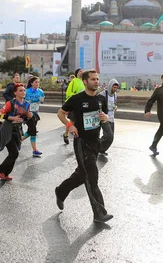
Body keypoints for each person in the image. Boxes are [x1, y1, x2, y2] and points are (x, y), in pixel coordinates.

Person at [54, 69, 113, 223]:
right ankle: (99, 213)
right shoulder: (77, 99)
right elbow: (60, 113)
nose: (96, 81)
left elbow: (103, 118)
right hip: (82, 143)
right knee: (92, 176)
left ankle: (61, 191)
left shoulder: (101, 99)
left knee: (82, 174)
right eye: (93, 79)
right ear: (85, 82)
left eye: (97, 79)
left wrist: (105, 118)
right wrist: (69, 126)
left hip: (95, 142)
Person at [0, 83, 31, 181]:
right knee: (14, 153)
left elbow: (25, 118)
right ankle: (1, 170)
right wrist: (12, 118)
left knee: (13, 154)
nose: (23, 92)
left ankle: (6, 174)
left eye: (24, 90)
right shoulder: (10, 103)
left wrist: (29, 116)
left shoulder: (27, 104)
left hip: (17, 131)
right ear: (15, 93)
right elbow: (1, 115)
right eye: (20, 90)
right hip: (7, 130)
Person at [23, 76, 44, 157]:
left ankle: (18, 141)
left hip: (36, 113)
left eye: (38, 82)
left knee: (30, 131)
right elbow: (23, 102)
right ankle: (35, 150)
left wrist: (41, 100)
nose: (37, 84)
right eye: (36, 82)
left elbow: (42, 101)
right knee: (33, 130)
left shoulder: (41, 91)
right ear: (31, 83)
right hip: (28, 113)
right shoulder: (27, 91)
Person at [62, 68, 85, 144]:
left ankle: (80, 137)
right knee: (72, 121)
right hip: (75, 103)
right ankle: (66, 135)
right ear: (77, 73)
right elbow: (68, 92)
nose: (81, 72)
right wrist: (75, 97)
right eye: (80, 71)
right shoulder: (74, 81)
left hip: (83, 104)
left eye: (82, 71)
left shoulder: (84, 81)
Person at [99, 79, 119, 155]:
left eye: (116, 88)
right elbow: (98, 104)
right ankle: (96, 146)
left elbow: (114, 103)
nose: (115, 89)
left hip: (111, 118)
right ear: (110, 86)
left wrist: (115, 107)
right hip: (104, 118)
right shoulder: (103, 94)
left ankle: (101, 149)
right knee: (108, 135)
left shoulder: (115, 95)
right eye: (114, 87)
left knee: (111, 137)